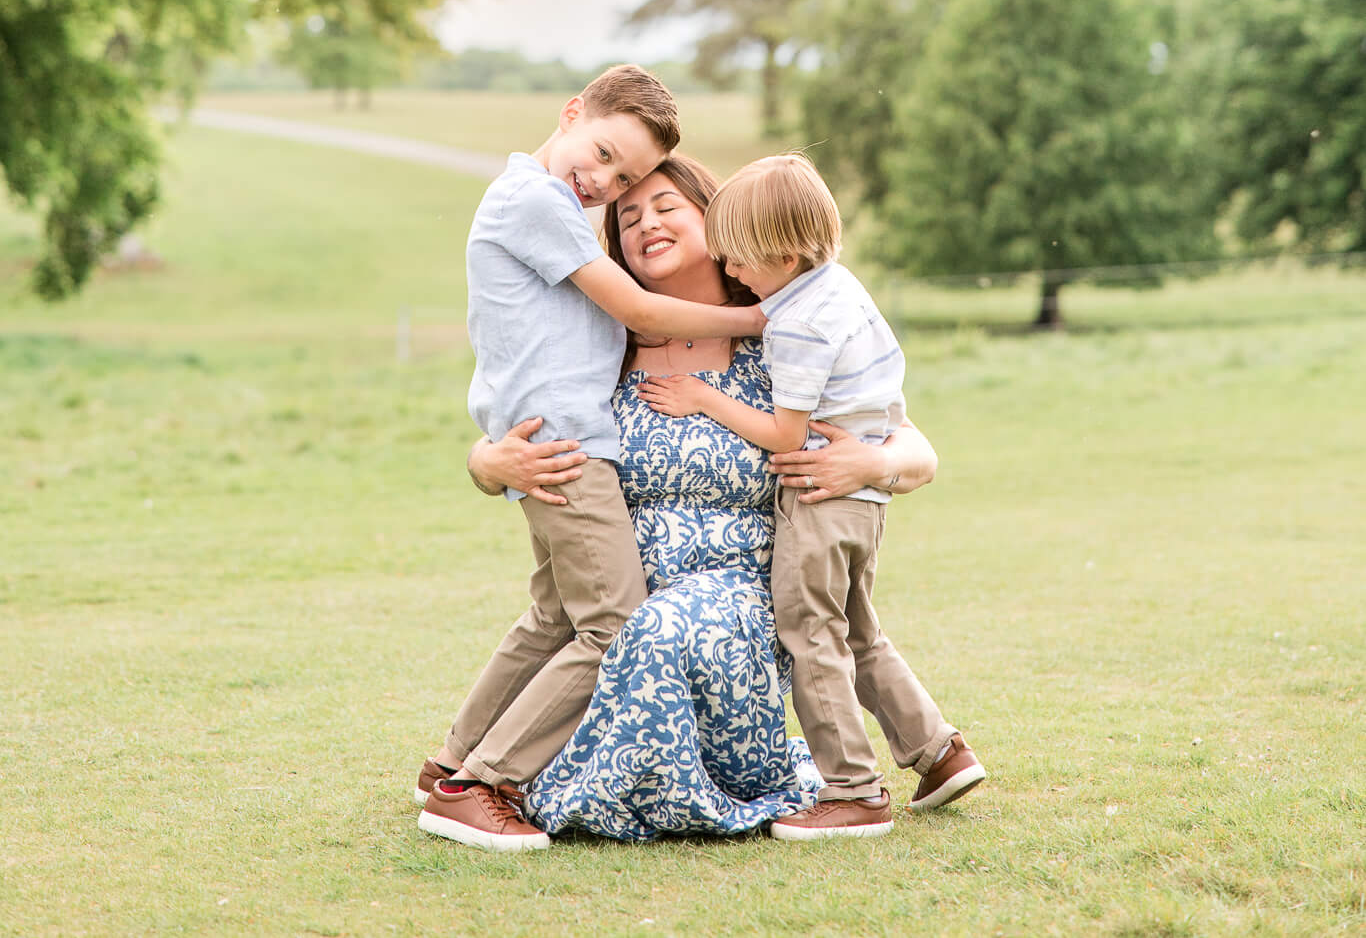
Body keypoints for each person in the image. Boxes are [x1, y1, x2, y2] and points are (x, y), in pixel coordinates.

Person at [458, 155, 940, 841]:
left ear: (714, 223)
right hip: (618, 603)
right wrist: (488, 460)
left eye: (664, 206)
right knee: (615, 626)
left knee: (648, 631)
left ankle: (505, 777)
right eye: (626, 217)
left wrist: (878, 459)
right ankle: (475, 773)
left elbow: (918, 448)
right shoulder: (605, 345)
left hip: (737, 596)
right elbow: (516, 427)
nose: (644, 222)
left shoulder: (784, 331)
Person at [414, 66, 766, 852]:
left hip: (553, 439)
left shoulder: (539, 201)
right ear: (572, 112)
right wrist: (760, 314)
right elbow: (636, 308)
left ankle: (448, 765)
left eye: (626, 176)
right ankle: (485, 784)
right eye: (603, 153)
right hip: (567, 447)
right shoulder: (535, 198)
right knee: (614, 625)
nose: (602, 181)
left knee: (553, 618)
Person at [638, 151, 984, 840]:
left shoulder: (801, 322)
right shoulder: (838, 288)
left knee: (808, 632)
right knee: (857, 628)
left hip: (820, 497)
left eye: (740, 258)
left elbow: (783, 433)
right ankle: (939, 751)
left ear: (787, 251)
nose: (732, 270)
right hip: (863, 504)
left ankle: (853, 789)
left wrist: (700, 395)